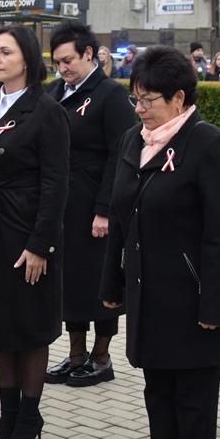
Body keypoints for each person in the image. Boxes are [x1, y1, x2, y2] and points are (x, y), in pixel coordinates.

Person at [98, 46, 220, 439]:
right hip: (147, 290)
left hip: (193, 293)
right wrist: (112, 283)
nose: (139, 109)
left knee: (193, 393)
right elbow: (119, 220)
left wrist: (214, 305)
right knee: (157, 388)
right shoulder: (132, 141)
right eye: (135, 99)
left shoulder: (209, 145)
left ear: (179, 98)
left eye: (149, 100)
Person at [0, 25, 70, 439]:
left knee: (28, 327)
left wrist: (41, 244)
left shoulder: (46, 112)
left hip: (26, 234)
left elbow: (57, 184)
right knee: (0, 327)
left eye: (5, 51)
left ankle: (29, 417)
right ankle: (7, 416)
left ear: (26, 57)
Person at [44, 22, 133, 389]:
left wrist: (105, 209)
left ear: (89, 55)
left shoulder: (110, 95)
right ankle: (75, 354)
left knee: (99, 281)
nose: (62, 68)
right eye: (57, 62)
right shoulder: (54, 93)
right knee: (71, 283)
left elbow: (122, 153)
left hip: (94, 205)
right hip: (63, 205)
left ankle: (101, 356)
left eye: (68, 61)